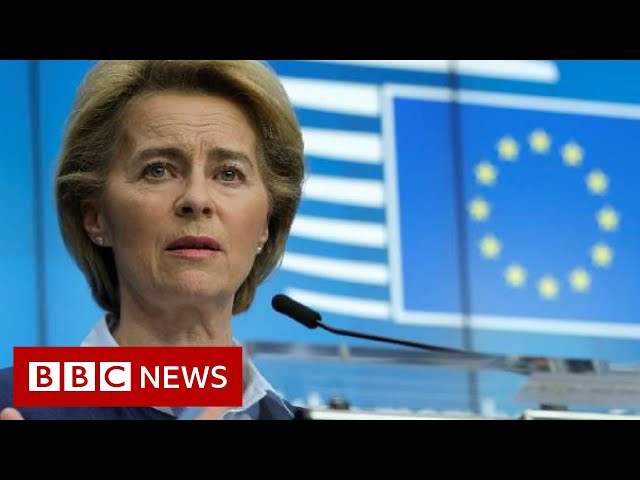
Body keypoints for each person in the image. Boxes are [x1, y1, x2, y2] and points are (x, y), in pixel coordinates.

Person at [0, 60, 306, 420]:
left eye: (228, 174)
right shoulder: (14, 400)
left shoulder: (290, 416)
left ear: (267, 223)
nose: (197, 199)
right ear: (95, 217)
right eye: (158, 170)